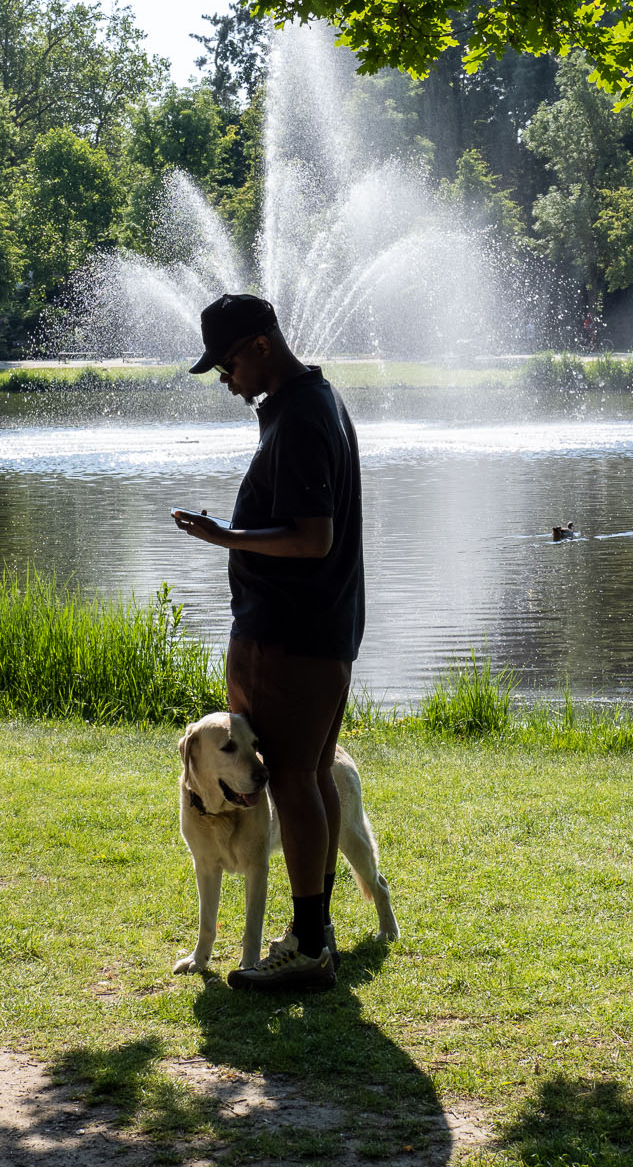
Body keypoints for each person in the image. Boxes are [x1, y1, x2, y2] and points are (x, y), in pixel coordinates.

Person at [172, 293, 365, 993]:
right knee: (308, 775)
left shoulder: (306, 416)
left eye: (226, 363)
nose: (225, 378)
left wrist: (225, 535)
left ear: (259, 345)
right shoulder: (299, 406)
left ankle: (310, 944)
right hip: (300, 629)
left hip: (295, 635)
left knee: (293, 778)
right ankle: (316, 929)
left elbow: (314, 538)